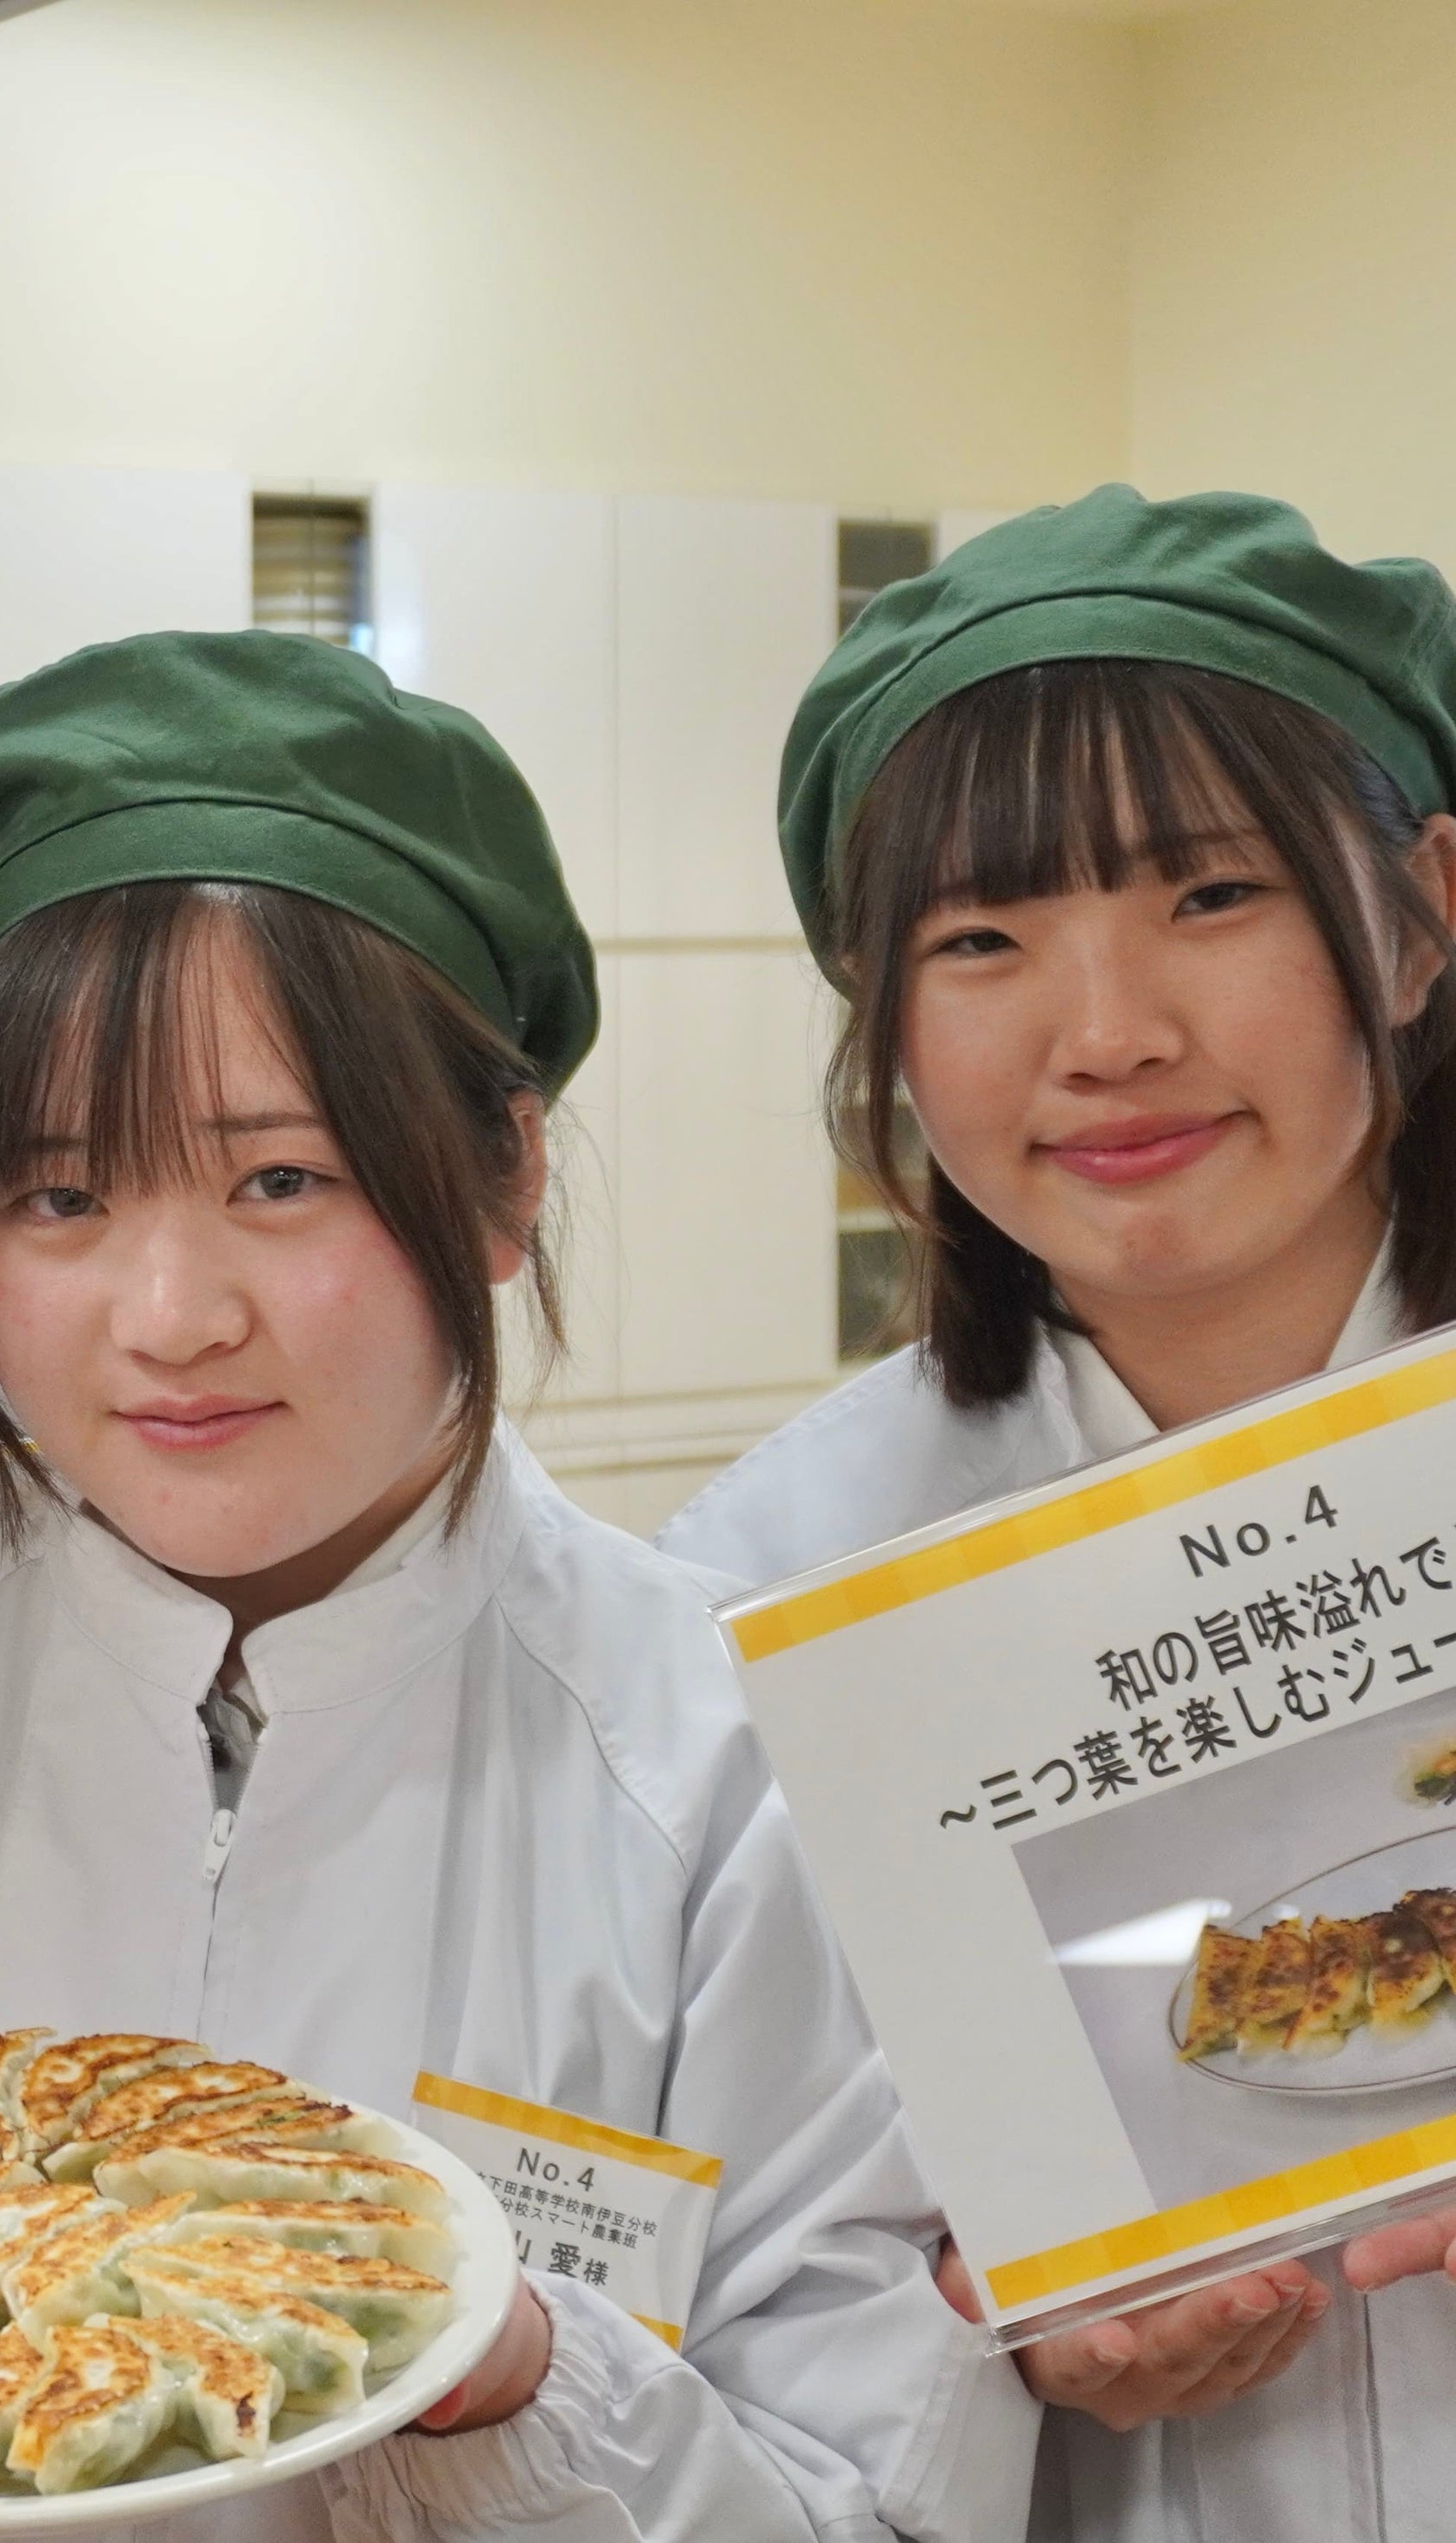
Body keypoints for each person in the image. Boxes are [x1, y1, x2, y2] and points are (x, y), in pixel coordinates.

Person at [0, 629, 1038, 2542]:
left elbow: (882, 2501)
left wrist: (525, 2379)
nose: (172, 1317)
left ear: (503, 1177)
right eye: (60, 1196)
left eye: (282, 1179)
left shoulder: (738, 1758)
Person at [660, 485, 1456, 2539]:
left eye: (1213, 893)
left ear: (1422, 912)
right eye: (982, 938)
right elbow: (706, 2287)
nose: (1109, 1036)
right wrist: (975, 2327)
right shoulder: (767, 1587)